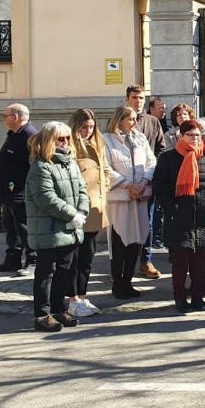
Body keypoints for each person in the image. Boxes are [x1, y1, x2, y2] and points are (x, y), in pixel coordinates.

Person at [153, 120, 205, 312]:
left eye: (197, 135)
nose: (194, 139)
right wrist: (171, 207)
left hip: (203, 219)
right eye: (190, 135)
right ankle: (179, 298)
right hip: (178, 219)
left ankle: (197, 297)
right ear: (180, 136)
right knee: (180, 263)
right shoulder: (168, 158)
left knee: (199, 264)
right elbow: (159, 186)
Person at [25, 121, 89, 333]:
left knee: (65, 271)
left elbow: (82, 190)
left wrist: (81, 213)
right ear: (49, 140)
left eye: (67, 138)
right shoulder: (41, 166)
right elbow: (46, 198)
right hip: (49, 229)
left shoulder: (70, 163)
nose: (64, 142)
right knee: (46, 273)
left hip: (70, 228)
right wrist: (71, 215)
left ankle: (59, 309)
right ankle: (42, 314)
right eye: (60, 138)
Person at [103, 105, 157, 300]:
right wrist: (127, 184)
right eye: (131, 119)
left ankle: (128, 281)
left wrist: (143, 182)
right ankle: (117, 283)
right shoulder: (106, 140)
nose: (135, 123)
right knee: (120, 241)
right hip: (120, 198)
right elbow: (106, 167)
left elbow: (151, 162)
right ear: (120, 120)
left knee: (137, 239)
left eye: (135, 119)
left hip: (140, 195)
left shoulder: (140, 138)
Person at [66, 109, 110, 318]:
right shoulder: (70, 148)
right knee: (73, 258)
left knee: (87, 257)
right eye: (84, 127)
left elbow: (105, 172)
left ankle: (82, 296)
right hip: (77, 211)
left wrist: (105, 190)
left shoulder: (97, 145)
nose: (88, 131)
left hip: (95, 208)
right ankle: (72, 298)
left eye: (91, 127)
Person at [0, 103, 38, 275]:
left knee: (25, 228)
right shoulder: (14, 134)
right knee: (11, 228)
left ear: (16, 117)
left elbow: (34, 165)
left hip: (20, 192)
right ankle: (12, 259)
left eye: (6, 115)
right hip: (9, 193)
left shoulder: (29, 135)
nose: (4, 119)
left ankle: (33, 261)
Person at [124, 85, 164, 278]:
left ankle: (145, 260)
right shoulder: (118, 120)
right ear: (127, 98)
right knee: (124, 224)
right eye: (134, 97)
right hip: (125, 185)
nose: (138, 101)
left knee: (146, 222)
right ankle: (123, 265)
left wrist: (151, 173)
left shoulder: (153, 121)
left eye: (141, 98)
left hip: (148, 181)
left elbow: (161, 149)